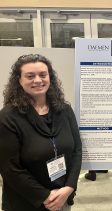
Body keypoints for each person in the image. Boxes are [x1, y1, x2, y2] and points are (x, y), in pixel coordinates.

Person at [0, 54, 82, 211]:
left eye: (43, 75)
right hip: (27, 202)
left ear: (49, 77)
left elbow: (77, 150)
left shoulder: (64, 109)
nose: (38, 80)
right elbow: (9, 168)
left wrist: (70, 187)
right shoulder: (8, 117)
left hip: (63, 197)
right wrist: (45, 197)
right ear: (19, 80)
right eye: (30, 76)